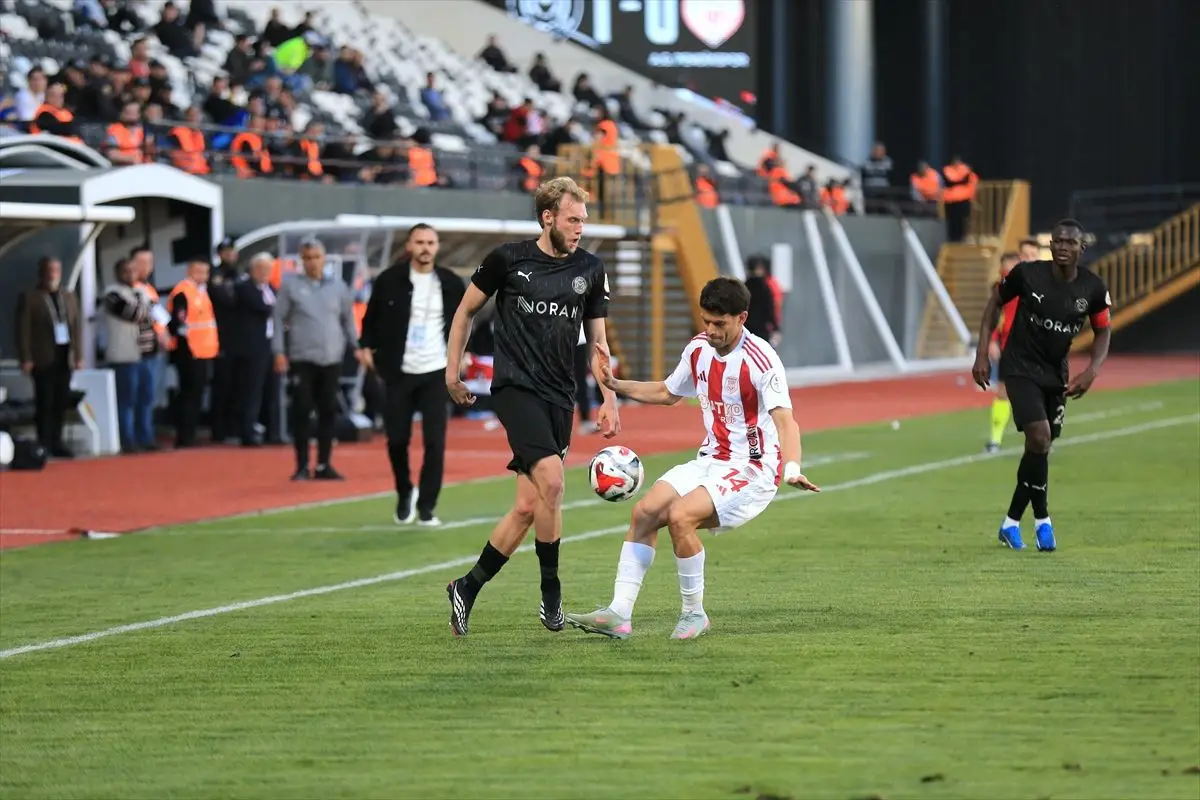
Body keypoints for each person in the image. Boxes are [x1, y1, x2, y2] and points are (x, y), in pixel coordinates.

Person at [565, 277, 821, 640]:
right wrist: (616, 386)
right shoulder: (698, 349)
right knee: (644, 513)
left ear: (742, 318)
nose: (711, 330)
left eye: (720, 323)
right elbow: (668, 392)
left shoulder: (761, 360)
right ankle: (618, 614)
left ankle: (694, 613)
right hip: (710, 459)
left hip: (753, 468)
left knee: (680, 516)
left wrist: (792, 468)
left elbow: (786, 422)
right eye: (706, 321)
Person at [443, 176, 620, 636]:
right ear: (548, 217)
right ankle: (551, 595)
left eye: (583, 220)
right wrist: (452, 373)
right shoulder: (508, 259)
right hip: (516, 389)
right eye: (573, 219)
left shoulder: (591, 268)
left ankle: (466, 586)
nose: (581, 227)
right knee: (554, 481)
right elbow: (465, 312)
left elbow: (597, 343)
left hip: (560, 396)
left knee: (528, 506)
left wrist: (608, 396)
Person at [972, 219, 1111, 552]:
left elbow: (1103, 329)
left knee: (1039, 449)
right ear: (1051, 245)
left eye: (1070, 243)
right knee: (1040, 437)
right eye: (1058, 241)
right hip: (1019, 366)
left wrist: (1092, 370)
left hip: (1056, 372)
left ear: (1082, 248)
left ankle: (1010, 522)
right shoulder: (1027, 274)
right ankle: (1044, 520)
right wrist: (981, 354)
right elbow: (994, 302)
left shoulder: (1092, 288)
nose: (1063, 247)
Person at [358, 223, 465, 526]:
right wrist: (365, 347)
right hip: (398, 370)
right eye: (419, 241)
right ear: (409, 245)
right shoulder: (389, 280)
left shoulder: (449, 282)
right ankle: (405, 492)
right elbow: (370, 318)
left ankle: (428, 507)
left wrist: (463, 353)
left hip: (436, 371)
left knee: (435, 441)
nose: (425, 247)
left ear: (438, 246)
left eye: (431, 242)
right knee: (396, 440)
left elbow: (466, 318)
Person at [273, 237, 358, 481]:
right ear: (301, 260)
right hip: (302, 357)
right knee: (301, 410)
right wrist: (278, 351)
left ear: (323, 259)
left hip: (331, 357)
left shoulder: (338, 287)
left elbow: (347, 320)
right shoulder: (291, 286)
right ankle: (301, 465)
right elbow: (278, 320)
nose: (312, 262)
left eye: (316, 257)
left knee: (328, 411)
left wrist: (359, 346)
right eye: (307, 258)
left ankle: (323, 464)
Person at [15, 257, 82, 457]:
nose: (54, 273)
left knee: (61, 401)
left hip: (65, 355)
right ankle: (43, 442)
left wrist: (78, 355)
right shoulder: (30, 297)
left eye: (56, 269)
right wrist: (26, 357)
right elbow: (23, 330)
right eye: (50, 270)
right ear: (42, 273)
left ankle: (57, 441)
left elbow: (76, 328)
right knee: (45, 401)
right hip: (42, 356)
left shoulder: (69, 297)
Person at [167, 259, 219, 448]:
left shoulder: (202, 292)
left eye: (205, 272)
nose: (203, 276)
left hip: (204, 350)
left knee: (197, 393)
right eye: (198, 271)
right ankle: (185, 435)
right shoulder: (183, 291)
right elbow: (178, 323)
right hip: (190, 351)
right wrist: (186, 348)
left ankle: (191, 432)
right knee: (189, 394)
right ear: (189, 271)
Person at [230, 253, 277, 446]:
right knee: (251, 391)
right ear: (252, 269)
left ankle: (271, 430)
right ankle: (247, 432)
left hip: (270, 345)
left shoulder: (272, 289)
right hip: (252, 347)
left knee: (271, 390)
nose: (265, 273)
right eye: (261, 269)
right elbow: (265, 309)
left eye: (268, 269)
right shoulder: (245, 288)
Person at [984, 251, 1021, 453]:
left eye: (1013, 268)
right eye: (1006, 268)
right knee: (1003, 392)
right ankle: (995, 439)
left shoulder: (1033, 288)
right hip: (1008, 345)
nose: (1009, 272)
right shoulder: (1000, 290)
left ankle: (1042, 440)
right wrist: (992, 341)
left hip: (1032, 348)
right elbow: (993, 317)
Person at [208, 237, 241, 443]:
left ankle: (233, 426)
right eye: (226, 251)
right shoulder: (216, 275)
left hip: (238, 337)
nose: (230, 255)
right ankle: (219, 429)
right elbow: (228, 299)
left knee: (237, 384)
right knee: (222, 384)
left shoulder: (239, 273)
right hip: (220, 336)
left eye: (232, 251)